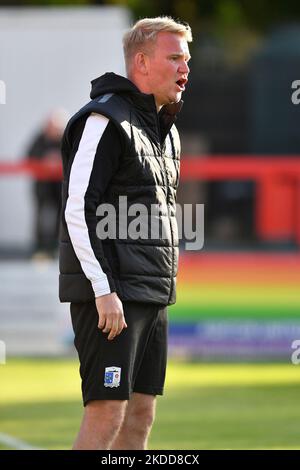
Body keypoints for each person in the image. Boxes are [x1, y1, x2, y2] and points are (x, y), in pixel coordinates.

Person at [59, 16, 192, 450]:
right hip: (111, 297)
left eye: (187, 59)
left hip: (153, 294)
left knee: (140, 416)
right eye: (174, 57)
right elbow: (78, 210)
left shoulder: (166, 131)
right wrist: (103, 289)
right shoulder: (103, 121)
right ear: (141, 62)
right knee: (107, 412)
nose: (184, 68)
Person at [26, 109, 68, 257]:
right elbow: (30, 157)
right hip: (43, 187)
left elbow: (72, 157)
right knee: (41, 217)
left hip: (59, 188)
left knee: (61, 217)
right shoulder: (39, 139)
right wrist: (45, 160)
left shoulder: (65, 138)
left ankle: (55, 248)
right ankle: (39, 248)